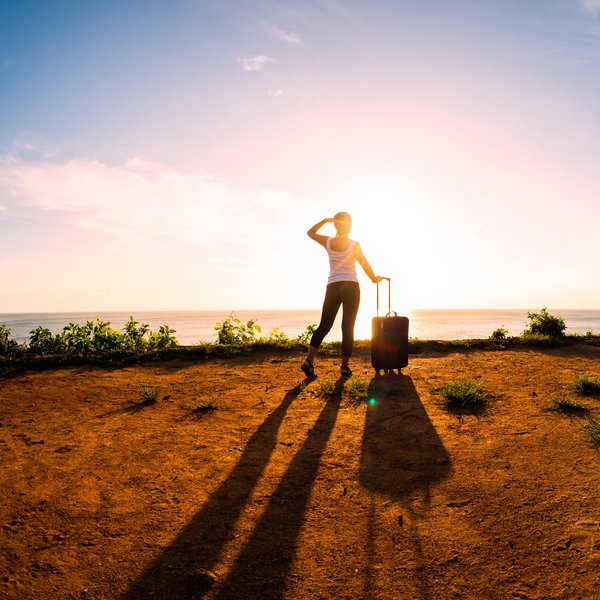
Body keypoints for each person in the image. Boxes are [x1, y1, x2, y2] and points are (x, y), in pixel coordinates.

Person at [301, 212, 382, 379]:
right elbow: (364, 263)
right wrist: (374, 279)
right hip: (351, 286)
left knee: (324, 325)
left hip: (333, 286)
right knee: (348, 327)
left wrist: (325, 220)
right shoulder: (354, 244)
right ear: (350, 225)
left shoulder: (328, 242)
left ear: (336, 225)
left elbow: (310, 233)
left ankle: (309, 361)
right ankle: (344, 367)